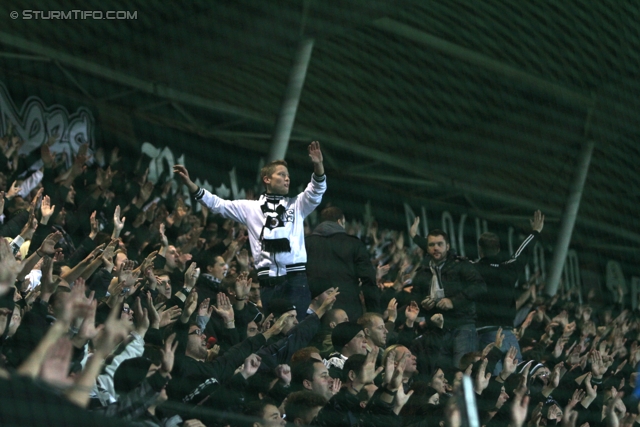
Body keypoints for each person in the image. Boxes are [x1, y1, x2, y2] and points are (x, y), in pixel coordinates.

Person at [174, 141, 326, 320]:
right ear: (267, 179)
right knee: (273, 331)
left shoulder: (298, 205)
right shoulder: (250, 208)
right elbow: (217, 204)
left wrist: (318, 164)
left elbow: (316, 190)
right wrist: (191, 185)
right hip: (268, 283)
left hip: (295, 280)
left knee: (294, 331)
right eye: (282, 174)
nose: (287, 179)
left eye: (288, 176)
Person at [473, 210, 544, 374]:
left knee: (494, 380)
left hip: (486, 333)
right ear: (498, 249)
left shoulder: (473, 269)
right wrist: (535, 232)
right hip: (509, 335)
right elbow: (522, 252)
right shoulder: (509, 269)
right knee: (516, 379)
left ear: (480, 250)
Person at [411, 228, 487, 371]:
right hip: (436, 330)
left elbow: (480, 286)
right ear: (427, 248)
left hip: (462, 325)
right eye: (432, 245)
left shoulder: (461, 265)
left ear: (448, 246)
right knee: (440, 373)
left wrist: (453, 301)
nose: (436, 248)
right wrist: (423, 305)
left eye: (440, 244)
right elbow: (414, 299)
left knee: (463, 371)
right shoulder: (422, 272)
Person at [305, 206, 379, 320]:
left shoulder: (306, 243)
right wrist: (373, 313)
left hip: (315, 311)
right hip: (348, 311)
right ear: (340, 221)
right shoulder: (354, 244)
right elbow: (368, 279)